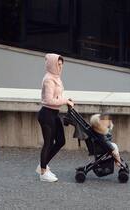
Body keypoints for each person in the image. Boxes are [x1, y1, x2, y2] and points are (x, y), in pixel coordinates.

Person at [36, 53, 74, 182]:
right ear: (52, 64)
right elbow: (49, 100)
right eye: (58, 64)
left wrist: (65, 99)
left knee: (60, 141)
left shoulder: (56, 78)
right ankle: (43, 172)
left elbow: (56, 97)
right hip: (46, 114)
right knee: (48, 143)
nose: (60, 67)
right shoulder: (48, 79)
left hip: (54, 113)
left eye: (62, 64)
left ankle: (44, 164)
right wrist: (65, 101)